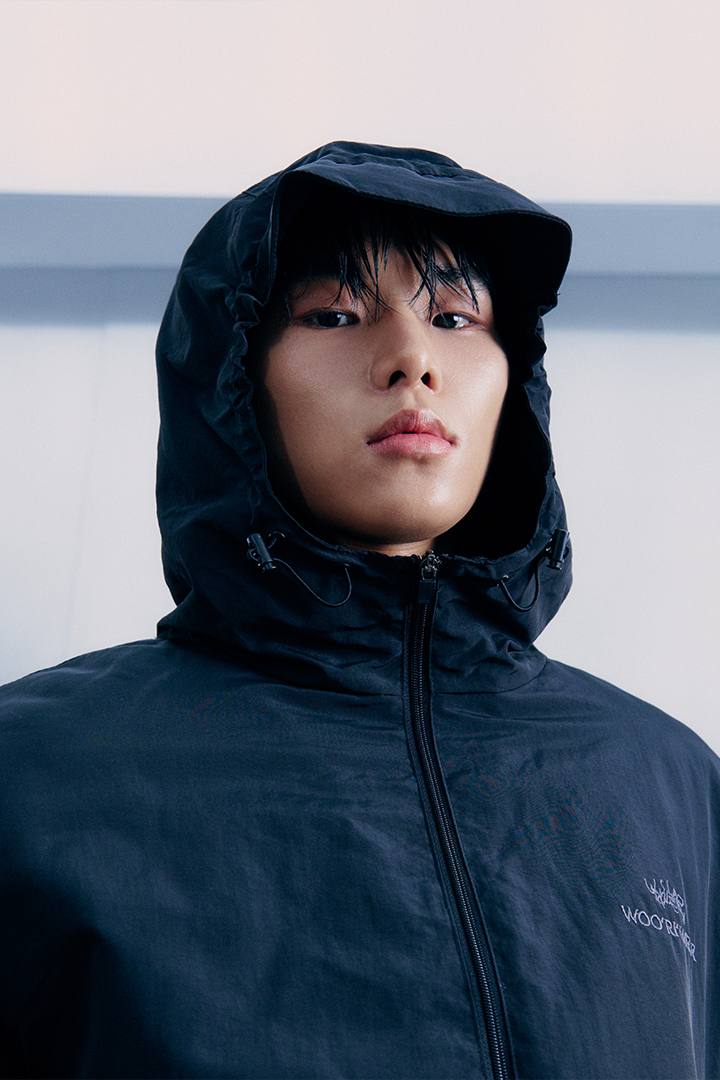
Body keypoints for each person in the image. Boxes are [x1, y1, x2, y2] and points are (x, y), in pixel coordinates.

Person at [0, 141, 717, 1080]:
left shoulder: (669, 781)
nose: (413, 359)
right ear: (232, 380)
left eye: (456, 318)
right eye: (334, 314)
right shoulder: (34, 771)